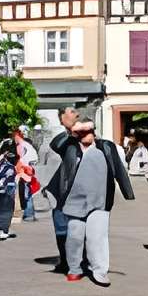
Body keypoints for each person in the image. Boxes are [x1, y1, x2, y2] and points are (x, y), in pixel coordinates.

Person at [46, 121, 133, 285]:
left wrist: (127, 191)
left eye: (88, 131)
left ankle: (99, 271)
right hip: (74, 202)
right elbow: (55, 144)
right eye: (82, 132)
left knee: (97, 237)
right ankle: (75, 268)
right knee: (74, 237)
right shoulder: (70, 147)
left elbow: (118, 169)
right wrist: (71, 131)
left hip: (99, 201)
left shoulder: (105, 147)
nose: (86, 135)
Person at [44, 104, 82, 274]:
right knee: (61, 228)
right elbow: (57, 144)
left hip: (80, 193)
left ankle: (78, 262)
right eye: (72, 112)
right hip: (61, 193)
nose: (78, 114)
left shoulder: (83, 138)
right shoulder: (62, 139)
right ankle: (66, 261)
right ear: (62, 118)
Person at [0, 137, 20, 240]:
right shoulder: (12, 156)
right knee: (7, 209)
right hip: (8, 185)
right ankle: (4, 230)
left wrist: (0, 145)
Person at [14, 127, 40, 221]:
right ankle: (28, 213)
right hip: (29, 168)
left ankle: (28, 214)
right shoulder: (27, 145)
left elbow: (21, 160)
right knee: (27, 192)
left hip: (26, 170)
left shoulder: (22, 145)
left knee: (26, 193)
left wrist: (18, 170)